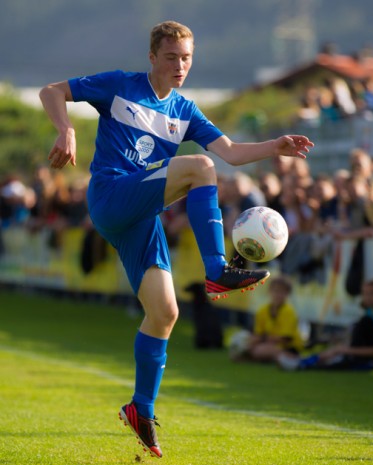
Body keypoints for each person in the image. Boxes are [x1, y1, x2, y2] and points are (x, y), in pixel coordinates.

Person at [38, 20, 313, 459]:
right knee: (200, 169)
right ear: (152, 57)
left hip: (139, 217)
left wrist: (274, 145)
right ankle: (217, 270)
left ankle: (140, 408)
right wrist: (65, 128)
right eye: (171, 57)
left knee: (165, 313)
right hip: (111, 196)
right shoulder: (119, 85)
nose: (180, 65)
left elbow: (232, 153)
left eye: (186, 58)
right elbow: (52, 91)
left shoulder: (185, 110)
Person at [279, 290, 373, 371]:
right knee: (363, 324)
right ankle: (306, 361)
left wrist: (347, 350)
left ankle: (305, 364)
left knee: (346, 359)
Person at [239, 276, 303, 363]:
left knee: (259, 351)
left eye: (282, 292)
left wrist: (261, 340)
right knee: (243, 343)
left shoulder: (289, 312)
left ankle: (290, 358)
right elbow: (258, 333)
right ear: (269, 291)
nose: (278, 295)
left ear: (287, 294)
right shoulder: (262, 311)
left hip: (288, 347)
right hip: (269, 343)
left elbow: (285, 339)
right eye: (275, 291)